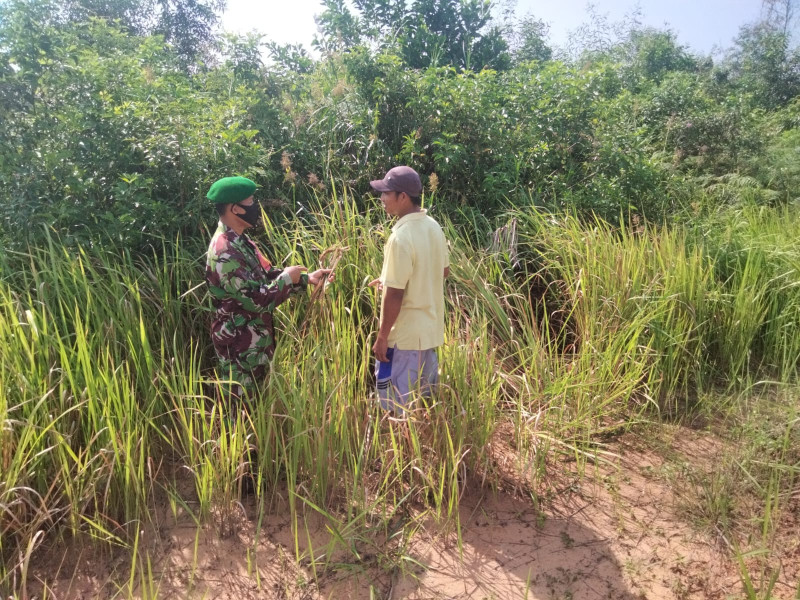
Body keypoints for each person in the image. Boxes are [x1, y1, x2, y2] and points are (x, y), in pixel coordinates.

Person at [205, 176, 331, 402]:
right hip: (239, 350)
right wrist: (286, 278)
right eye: (251, 202)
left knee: (258, 410)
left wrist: (305, 279)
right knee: (241, 414)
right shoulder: (225, 251)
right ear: (235, 208)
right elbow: (254, 300)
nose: (256, 208)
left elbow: (264, 276)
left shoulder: (240, 241)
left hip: (255, 345)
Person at [368, 166, 449, 414]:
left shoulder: (400, 238)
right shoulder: (433, 226)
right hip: (428, 335)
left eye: (386, 193)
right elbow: (442, 271)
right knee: (422, 407)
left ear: (403, 197)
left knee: (397, 410)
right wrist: (388, 279)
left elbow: (395, 294)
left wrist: (382, 337)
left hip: (402, 340)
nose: (381, 198)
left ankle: (401, 454)